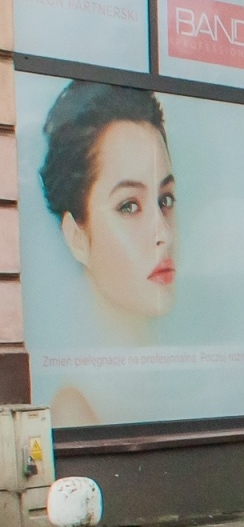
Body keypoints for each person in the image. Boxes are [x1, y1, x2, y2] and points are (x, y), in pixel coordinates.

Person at [38, 81, 178, 425]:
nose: (164, 233)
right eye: (129, 205)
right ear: (77, 238)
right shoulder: (75, 411)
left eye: (166, 200)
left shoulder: (175, 383)